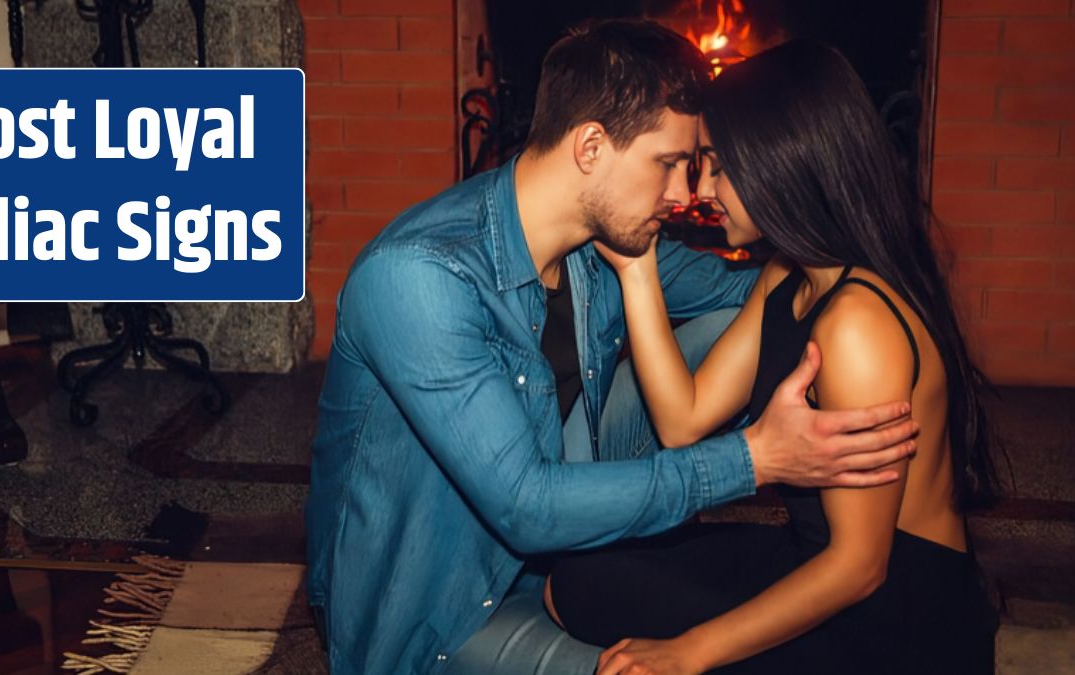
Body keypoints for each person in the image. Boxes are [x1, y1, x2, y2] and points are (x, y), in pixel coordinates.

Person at [306, 22, 919, 675]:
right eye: (667, 165)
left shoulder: (600, 244)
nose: (686, 196)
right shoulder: (418, 278)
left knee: (754, 327)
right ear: (592, 147)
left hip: (555, 548)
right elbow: (527, 506)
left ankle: (779, 564)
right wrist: (754, 459)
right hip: (440, 613)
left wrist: (878, 309)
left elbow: (765, 293)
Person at [546, 39, 1001, 675]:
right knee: (578, 579)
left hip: (900, 617)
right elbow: (684, 421)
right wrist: (637, 264)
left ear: (778, 165)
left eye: (715, 165)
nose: (700, 188)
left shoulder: (857, 326)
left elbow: (860, 567)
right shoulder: (790, 274)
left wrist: (689, 653)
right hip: (813, 556)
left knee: (608, 605)